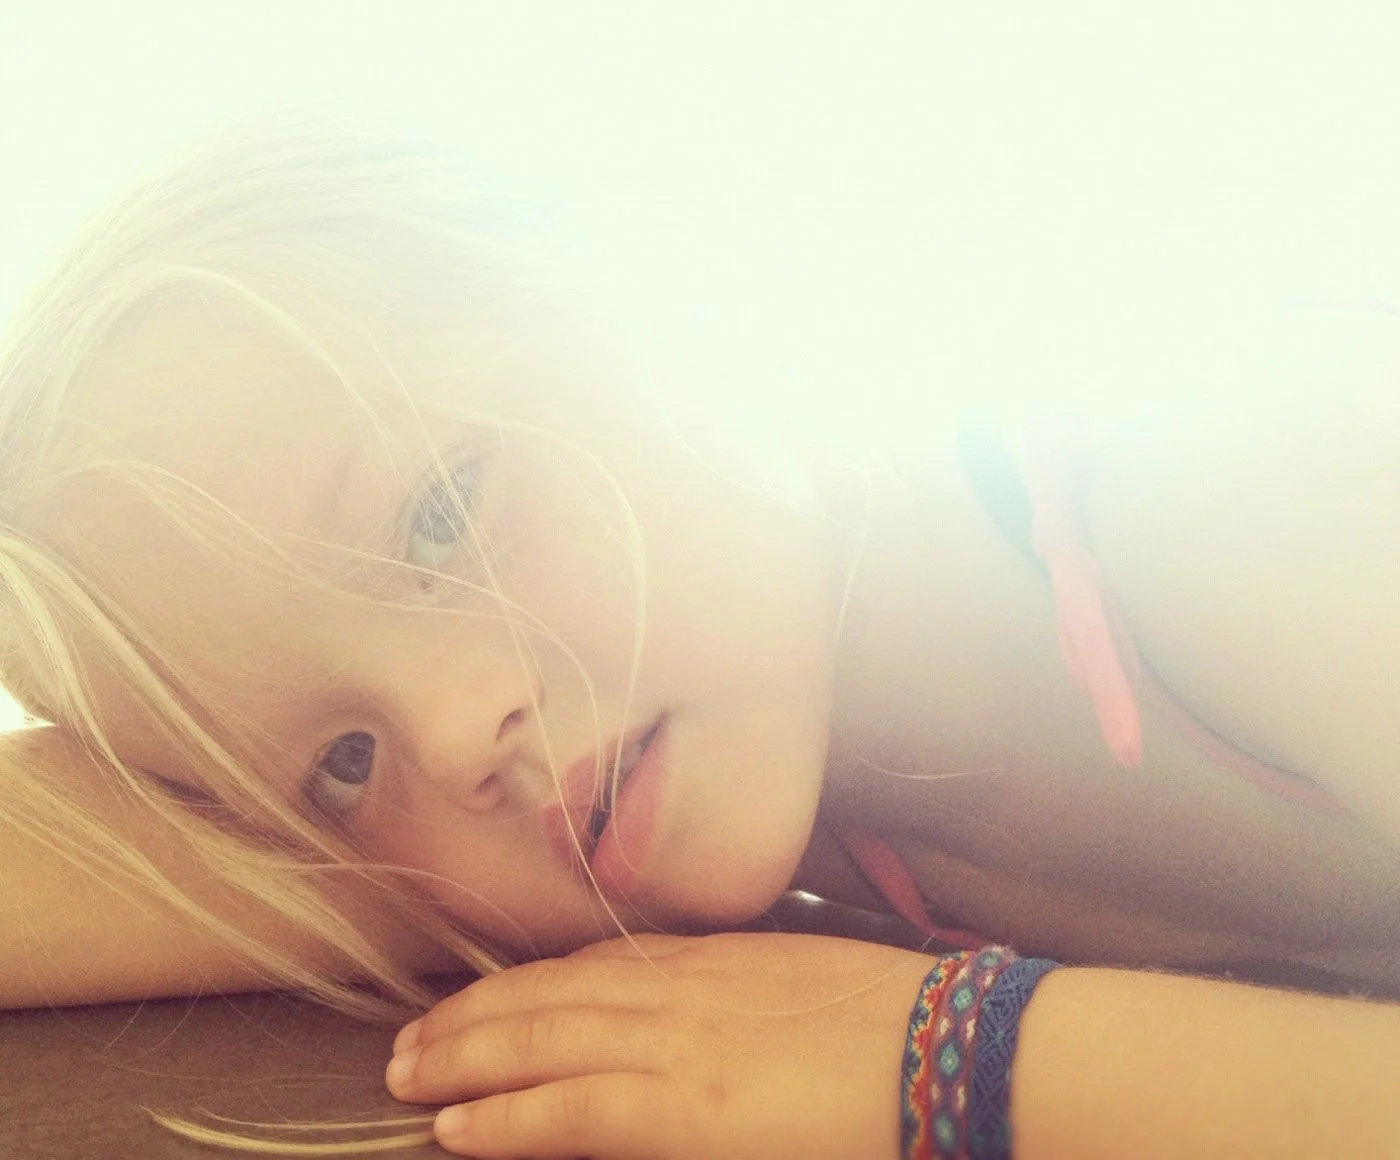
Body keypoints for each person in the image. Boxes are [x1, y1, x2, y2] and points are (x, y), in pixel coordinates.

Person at [0, 111, 1397, 1160]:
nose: (446, 734)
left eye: (440, 516)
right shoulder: (675, 785)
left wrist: (936, 1057)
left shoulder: (1251, 485)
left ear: (628, 282)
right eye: (341, 762)